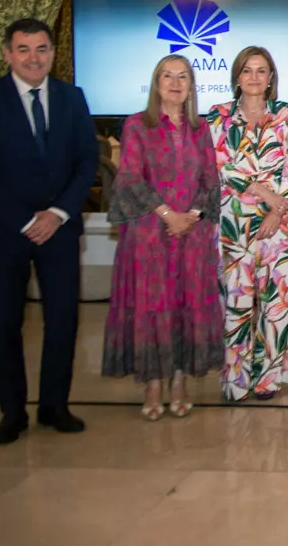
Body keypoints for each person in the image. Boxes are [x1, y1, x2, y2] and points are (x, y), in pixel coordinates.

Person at [0, 18, 99, 445]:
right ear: (8, 54)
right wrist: (25, 219)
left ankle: (54, 405)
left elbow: (86, 162)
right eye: (24, 49)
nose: (34, 58)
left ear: (53, 53)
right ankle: (12, 412)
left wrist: (57, 213)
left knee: (63, 319)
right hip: (4, 232)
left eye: (42, 49)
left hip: (59, 230)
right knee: (5, 323)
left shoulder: (71, 98)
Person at [103, 55, 222, 420]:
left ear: (191, 85)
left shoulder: (201, 129)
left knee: (187, 309)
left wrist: (192, 216)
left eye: (182, 77)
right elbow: (129, 179)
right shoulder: (137, 126)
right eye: (167, 76)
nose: (175, 83)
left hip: (193, 236)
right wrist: (167, 214)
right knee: (153, 310)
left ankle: (180, 382)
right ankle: (153, 383)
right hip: (149, 237)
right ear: (156, 84)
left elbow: (210, 181)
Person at [207, 46, 288, 401]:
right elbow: (221, 166)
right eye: (247, 70)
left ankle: (268, 379)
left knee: (276, 305)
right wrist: (265, 193)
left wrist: (277, 210)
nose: (254, 77)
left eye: (261, 71)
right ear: (236, 77)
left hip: (280, 227)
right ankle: (235, 380)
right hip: (235, 227)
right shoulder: (217, 117)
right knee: (236, 305)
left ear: (271, 78)